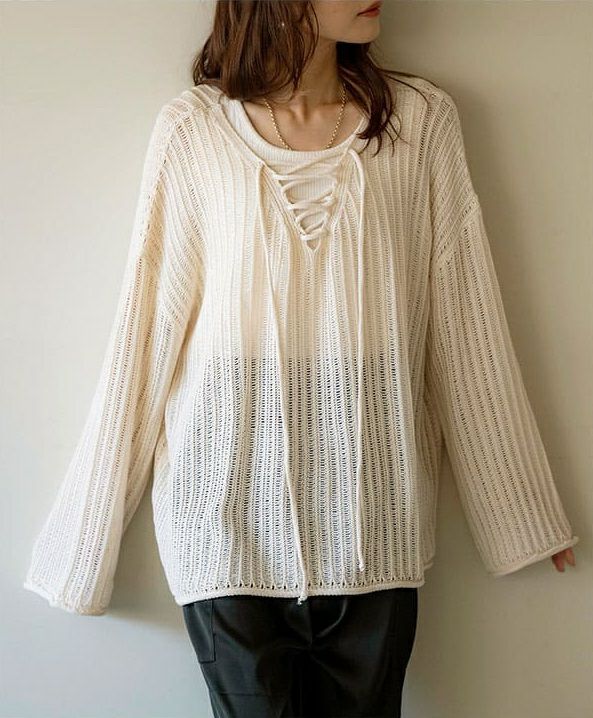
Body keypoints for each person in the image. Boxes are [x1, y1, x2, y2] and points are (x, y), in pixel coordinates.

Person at [23, 2, 578, 717]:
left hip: (377, 518)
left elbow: (462, 317)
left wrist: (519, 509)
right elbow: (147, 328)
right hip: (222, 518)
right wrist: (85, 542)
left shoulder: (419, 121)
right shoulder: (193, 131)